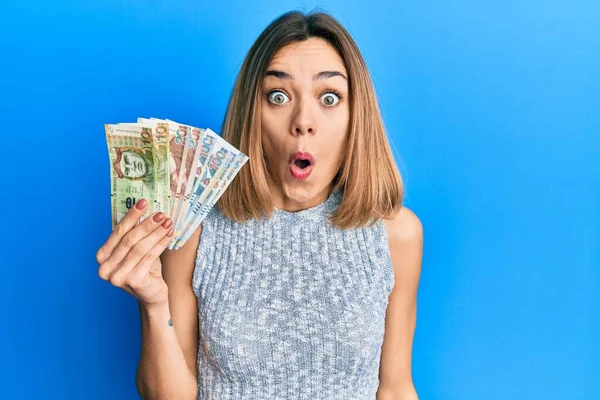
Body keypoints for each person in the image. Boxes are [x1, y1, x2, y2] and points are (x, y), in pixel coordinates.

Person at [96, 10, 423, 400]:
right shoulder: (194, 230)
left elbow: (395, 387)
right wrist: (153, 304)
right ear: (253, 113)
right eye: (278, 96)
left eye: (329, 97)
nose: (303, 121)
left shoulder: (397, 234)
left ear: (357, 118)